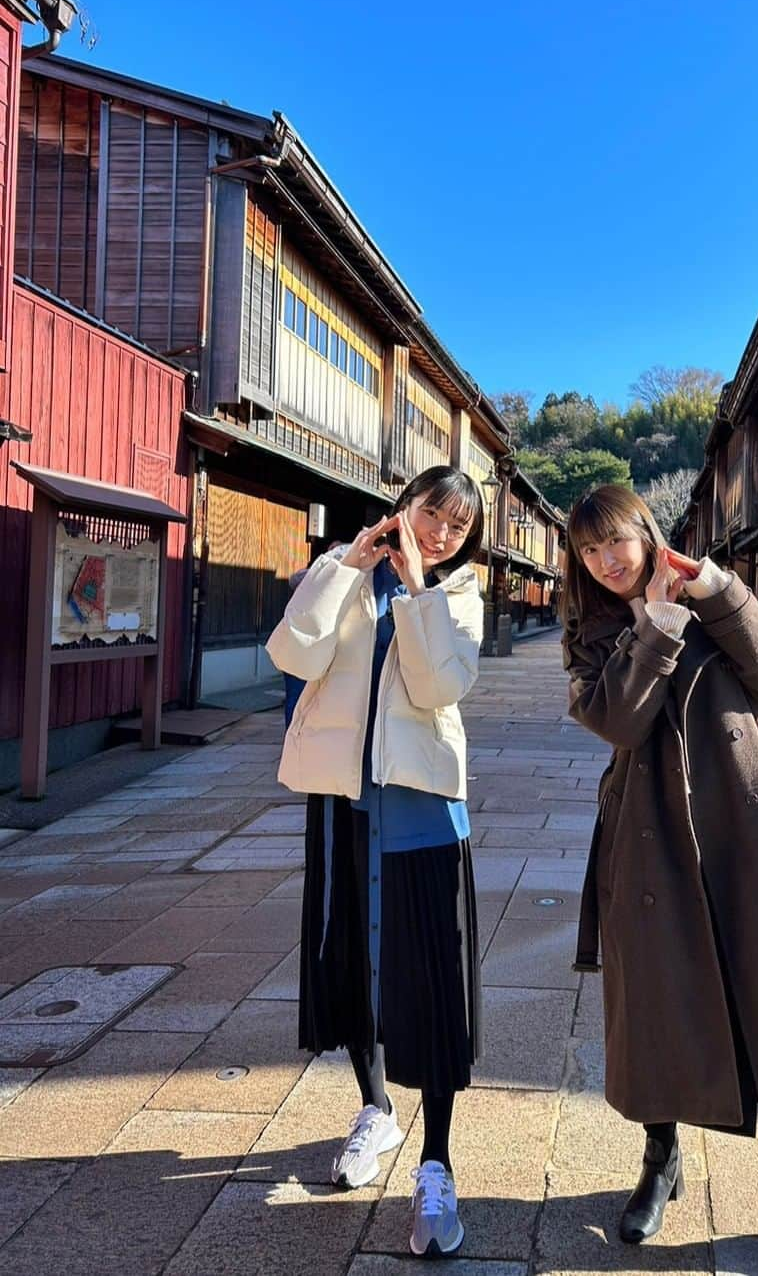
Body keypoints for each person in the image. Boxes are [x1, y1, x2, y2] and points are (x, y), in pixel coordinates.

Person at [560, 485, 758, 1276]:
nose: (608, 559)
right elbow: (619, 720)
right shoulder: (591, 634)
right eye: (590, 550)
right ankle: (662, 1160)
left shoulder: (708, 596)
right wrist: (654, 625)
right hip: (649, 836)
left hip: (742, 822)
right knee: (657, 1002)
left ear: (644, 531)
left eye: (617, 540)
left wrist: (718, 592)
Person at [266, 465, 486, 1258]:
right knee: (353, 962)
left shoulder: (460, 596)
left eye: (459, 526)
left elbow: (435, 687)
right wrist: (341, 568)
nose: (441, 531)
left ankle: (438, 1160)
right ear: (404, 507)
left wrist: (422, 587)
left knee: (431, 978)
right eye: (433, 513)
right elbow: (292, 652)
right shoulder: (344, 575)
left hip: (424, 805)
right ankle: (374, 1108)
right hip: (342, 800)